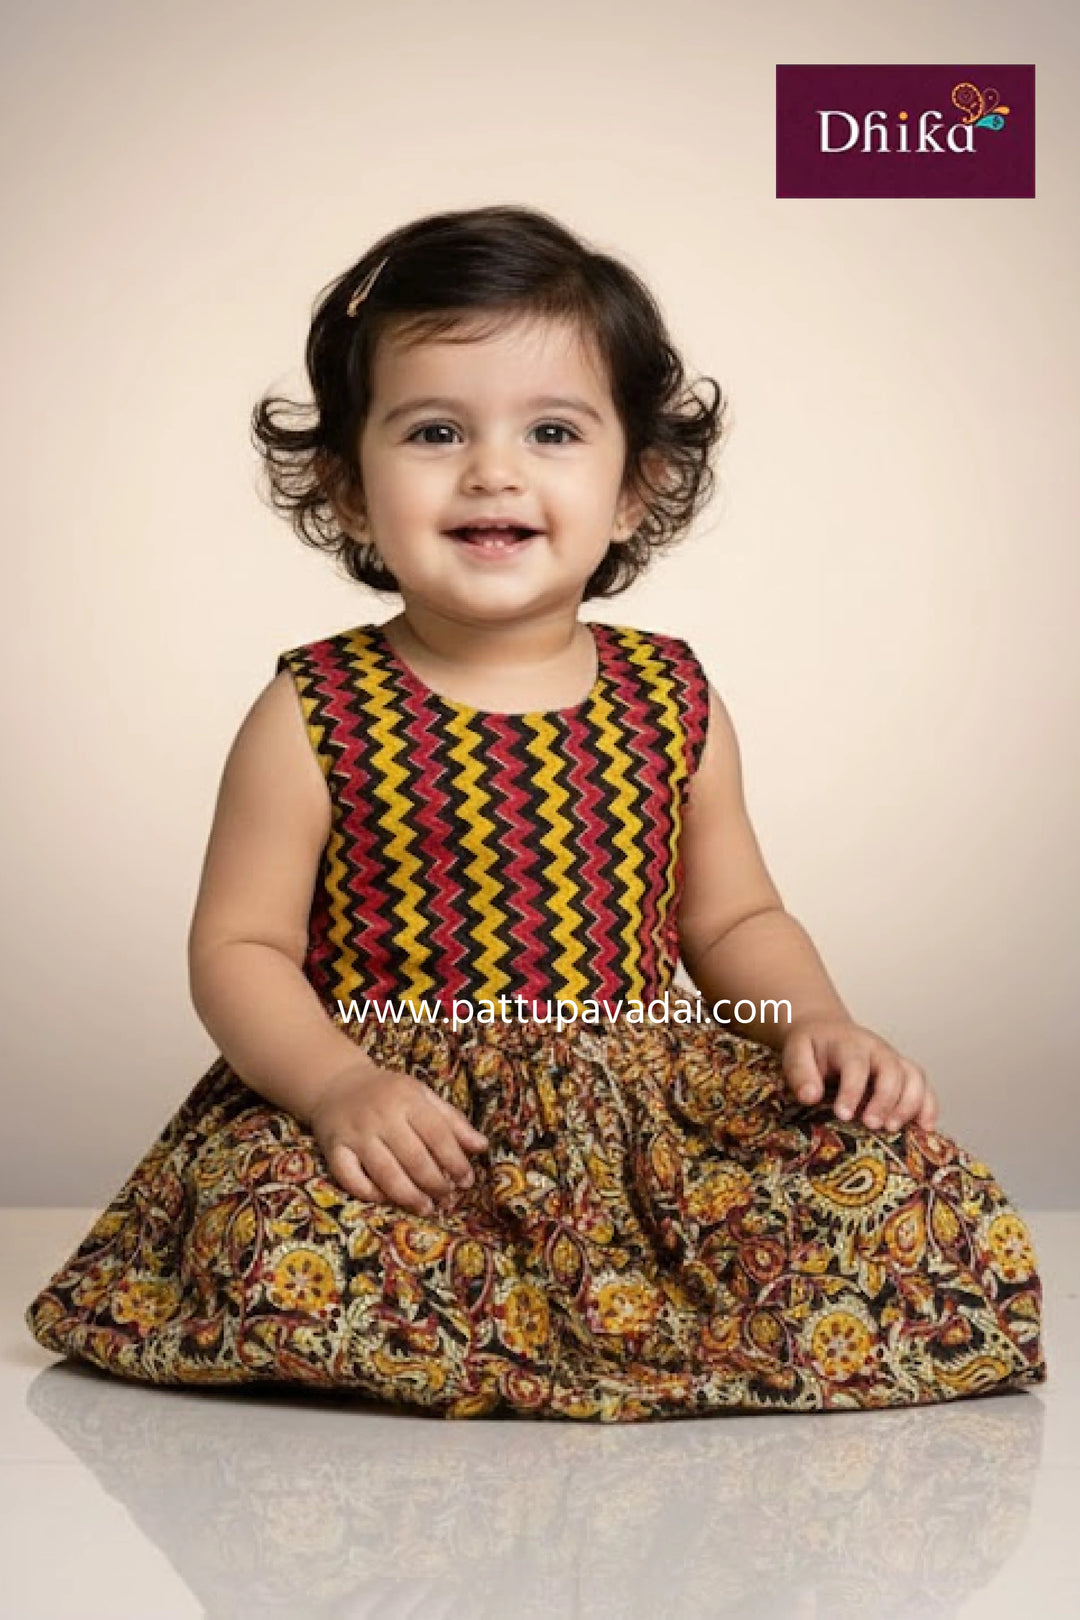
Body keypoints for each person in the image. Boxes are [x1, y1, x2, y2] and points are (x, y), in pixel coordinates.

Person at [25, 204, 1047, 1422]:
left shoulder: (671, 696)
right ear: (350, 490)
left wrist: (812, 1025)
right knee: (272, 1227)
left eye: (553, 430)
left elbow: (733, 922)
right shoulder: (318, 708)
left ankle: (613, 1324)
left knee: (906, 1190)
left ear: (635, 488)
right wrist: (336, 1087)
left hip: (639, 1125)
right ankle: (458, 1315)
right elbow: (239, 949)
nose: (492, 470)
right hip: (413, 1125)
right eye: (436, 430)